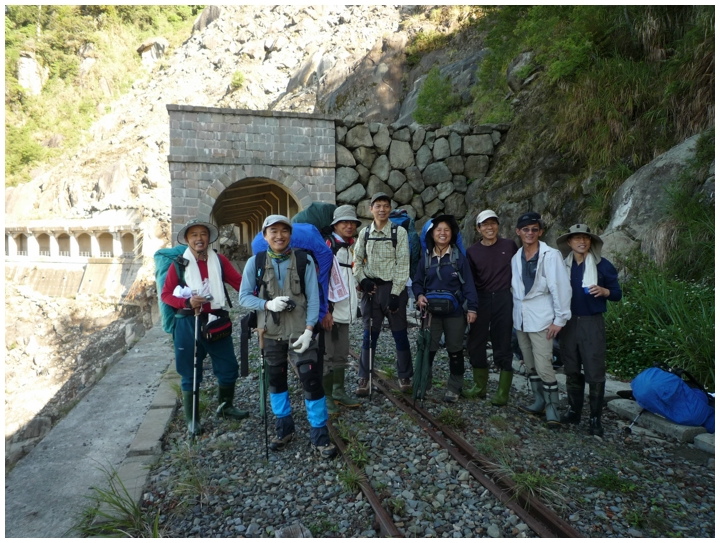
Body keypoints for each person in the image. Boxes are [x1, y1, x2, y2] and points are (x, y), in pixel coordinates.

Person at [239, 215, 337, 459]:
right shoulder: (256, 262)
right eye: (273, 231)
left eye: (284, 231)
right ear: (265, 235)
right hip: (271, 333)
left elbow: (314, 298)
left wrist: (309, 329)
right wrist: (267, 304)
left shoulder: (304, 261)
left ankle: (320, 435)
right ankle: (284, 429)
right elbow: (243, 297)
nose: (279, 235)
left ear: (290, 235)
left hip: (300, 332)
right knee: (276, 382)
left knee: (312, 381)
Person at [161, 218, 249, 435]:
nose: (199, 238)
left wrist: (260, 300)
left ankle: (225, 407)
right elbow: (166, 295)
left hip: (216, 321)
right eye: (194, 235)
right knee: (189, 372)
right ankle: (193, 420)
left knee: (229, 367)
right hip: (188, 323)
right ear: (188, 240)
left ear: (208, 238)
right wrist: (186, 302)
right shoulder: (179, 264)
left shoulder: (219, 261)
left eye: (203, 234)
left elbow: (239, 284)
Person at [556, 224, 622, 437]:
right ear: (569, 242)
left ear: (591, 242)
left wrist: (605, 291)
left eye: (585, 238)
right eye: (576, 238)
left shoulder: (603, 266)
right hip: (568, 322)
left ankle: (595, 418)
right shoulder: (562, 266)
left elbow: (617, 294)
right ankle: (574, 411)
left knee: (594, 370)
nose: (581, 242)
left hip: (592, 323)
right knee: (572, 368)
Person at [511, 212, 571, 428]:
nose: (530, 233)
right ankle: (538, 401)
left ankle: (553, 408)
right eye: (525, 229)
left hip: (543, 318)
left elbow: (561, 288)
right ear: (518, 231)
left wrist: (560, 319)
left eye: (534, 229)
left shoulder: (551, 255)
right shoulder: (515, 257)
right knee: (529, 362)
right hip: (521, 319)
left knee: (544, 363)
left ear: (541, 232)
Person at [412, 215, 478, 402]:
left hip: (455, 313)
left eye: (446, 230)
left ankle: (454, 387)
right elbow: (417, 282)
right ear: (432, 234)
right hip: (431, 313)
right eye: (438, 230)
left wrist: (472, 308)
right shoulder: (426, 259)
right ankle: (424, 383)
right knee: (428, 350)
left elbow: (469, 286)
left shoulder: (459, 259)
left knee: (455, 351)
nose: (442, 233)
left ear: (452, 234)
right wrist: (419, 296)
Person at [353, 192, 412, 395]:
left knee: (400, 334)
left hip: (393, 288)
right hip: (371, 291)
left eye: (386, 205)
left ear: (390, 208)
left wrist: (396, 293)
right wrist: (363, 280)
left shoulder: (399, 232)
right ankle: (364, 377)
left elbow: (403, 263)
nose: (382, 209)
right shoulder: (365, 233)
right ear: (371, 209)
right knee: (369, 335)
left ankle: (405, 375)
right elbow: (357, 260)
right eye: (378, 205)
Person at [465, 209, 518, 405]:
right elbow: (469, 281)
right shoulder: (472, 252)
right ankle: (480, 387)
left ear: (498, 225)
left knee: (503, 342)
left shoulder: (509, 245)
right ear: (478, 228)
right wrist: (471, 306)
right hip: (481, 298)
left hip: (504, 297)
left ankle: (503, 393)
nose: (490, 227)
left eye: (493, 223)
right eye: (485, 224)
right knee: (475, 342)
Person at [321, 205, 362, 414]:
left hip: (345, 309)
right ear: (335, 225)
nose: (349, 225)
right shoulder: (329, 246)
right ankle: (326, 396)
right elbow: (322, 281)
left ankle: (338, 391)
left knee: (342, 352)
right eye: (344, 222)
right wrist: (325, 311)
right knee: (327, 354)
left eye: (352, 222)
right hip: (331, 310)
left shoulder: (349, 246)